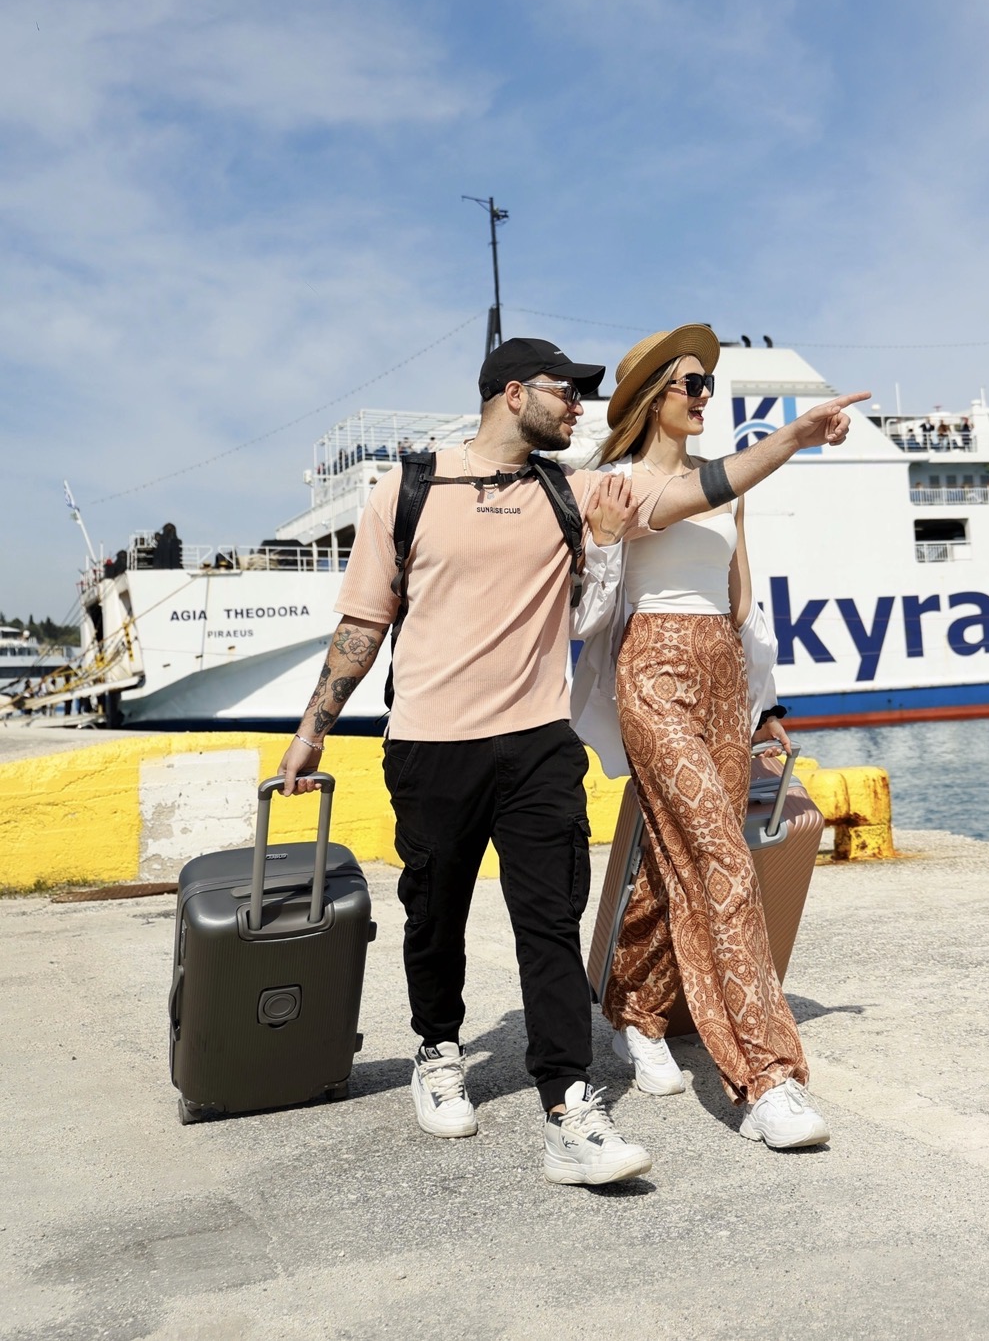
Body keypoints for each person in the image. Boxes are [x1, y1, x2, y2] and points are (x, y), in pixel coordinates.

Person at [277, 337, 655, 1188]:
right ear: (512, 393)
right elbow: (363, 624)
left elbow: (692, 485)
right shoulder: (404, 490)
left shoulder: (572, 488)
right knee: (434, 910)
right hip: (428, 743)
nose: (579, 408)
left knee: (550, 921)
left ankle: (567, 1106)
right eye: (567, 392)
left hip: (536, 741)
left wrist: (788, 443)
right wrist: (313, 726)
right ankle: (437, 1048)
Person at [572, 324, 867, 1151]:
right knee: (723, 862)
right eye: (690, 385)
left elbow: (740, 606)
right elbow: (599, 603)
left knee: (676, 863)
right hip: (654, 670)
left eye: (708, 385)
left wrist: (765, 706)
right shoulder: (615, 484)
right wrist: (796, 437)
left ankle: (637, 1010)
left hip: (721, 672)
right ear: (648, 398)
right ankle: (765, 1080)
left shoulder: (728, 490)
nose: (704, 397)